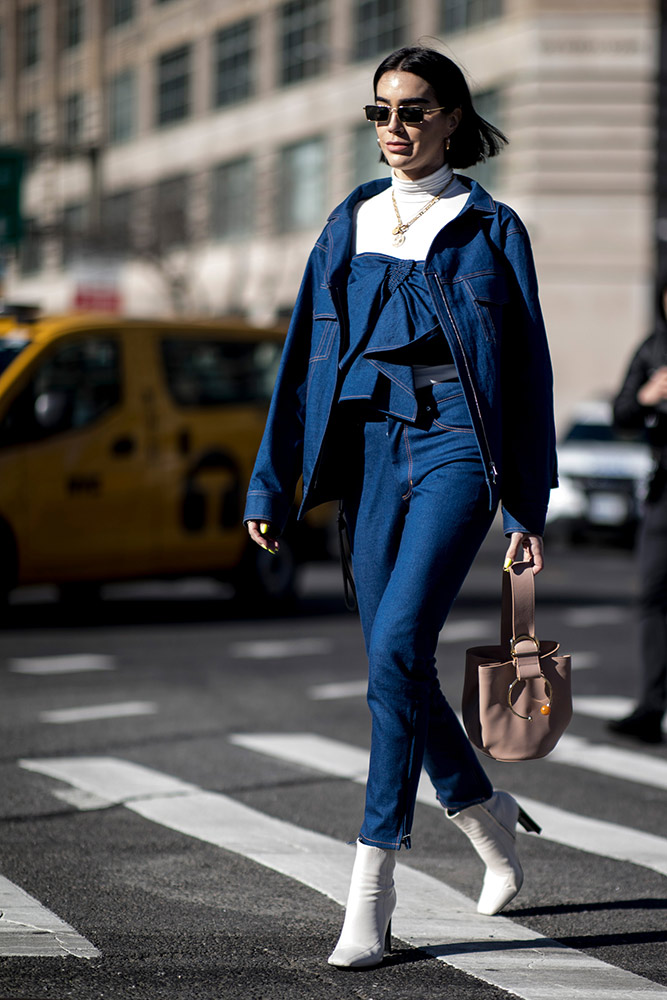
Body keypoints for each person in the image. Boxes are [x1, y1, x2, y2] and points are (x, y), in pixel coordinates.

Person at [244, 45, 557, 968]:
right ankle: (488, 818)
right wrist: (272, 480)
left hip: (461, 448)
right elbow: (302, 356)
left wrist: (527, 501)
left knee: (394, 647)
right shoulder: (348, 223)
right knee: (399, 664)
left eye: (414, 111)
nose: (395, 129)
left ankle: (371, 891)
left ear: (454, 118)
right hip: (373, 447)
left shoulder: (491, 227)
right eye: (380, 112)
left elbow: (529, 369)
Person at [607, 273, 667, 745]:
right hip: (662, 491)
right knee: (652, 595)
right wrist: (647, 397)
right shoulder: (653, 350)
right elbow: (621, 412)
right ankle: (651, 707)